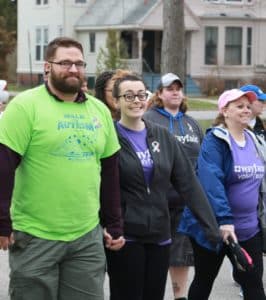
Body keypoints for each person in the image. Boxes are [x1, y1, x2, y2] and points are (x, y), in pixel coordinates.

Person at [0, 37, 124, 300]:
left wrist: (114, 223)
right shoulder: (25, 106)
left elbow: (110, 172)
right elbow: (3, 167)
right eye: (65, 63)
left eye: (79, 63)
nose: (73, 69)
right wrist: (1, 222)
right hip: (35, 234)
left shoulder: (99, 111)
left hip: (86, 237)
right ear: (47, 67)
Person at [105, 74, 221, 300]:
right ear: (116, 101)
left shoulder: (162, 136)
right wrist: (106, 224)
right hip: (125, 236)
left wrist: (211, 227)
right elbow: (98, 185)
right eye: (128, 96)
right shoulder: (109, 136)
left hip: (160, 233)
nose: (136, 100)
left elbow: (188, 183)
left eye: (141, 95)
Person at [179, 88, 266, 300]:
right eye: (239, 106)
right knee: (204, 280)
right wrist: (225, 221)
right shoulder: (215, 141)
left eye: (247, 106)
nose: (246, 110)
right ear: (225, 111)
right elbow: (211, 183)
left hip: (248, 229)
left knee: (254, 286)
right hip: (216, 228)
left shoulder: (256, 141)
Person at [144, 72, 203, 300]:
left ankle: (180, 297)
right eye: (170, 88)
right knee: (155, 258)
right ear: (159, 93)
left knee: (181, 258)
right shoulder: (149, 119)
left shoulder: (191, 123)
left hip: (184, 205)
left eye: (179, 88)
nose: (176, 92)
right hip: (155, 203)